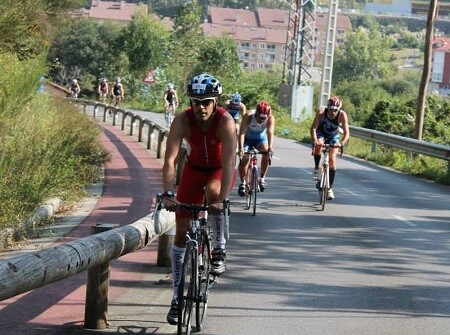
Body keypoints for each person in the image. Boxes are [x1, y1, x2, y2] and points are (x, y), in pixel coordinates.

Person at [160, 73, 236, 325]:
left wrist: (222, 200)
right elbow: (170, 159)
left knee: (214, 194)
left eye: (206, 102)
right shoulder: (182, 120)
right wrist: (169, 192)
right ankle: (175, 297)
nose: (200, 107)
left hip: (217, 170)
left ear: (216, 102)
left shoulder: (225, 122)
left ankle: (219, 247)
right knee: (181, 231)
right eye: (196, 101)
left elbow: (228, 163)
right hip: (193, 171)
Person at [310, 96, 350, 200]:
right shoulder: (321, 112)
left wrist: (341, 143)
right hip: (321, 133)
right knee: (319, 144)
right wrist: (315, 140)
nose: (332, 112)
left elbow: (346, 133)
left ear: (339, 109)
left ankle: (330, 188)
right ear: (328, 107)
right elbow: (313, 128)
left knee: (332, 158)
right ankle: (316, 168)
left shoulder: (342, 115)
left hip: (333, 136)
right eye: (331, 109)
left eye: (335, 110)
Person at [237, 100, 275, 196]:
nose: (261, 120)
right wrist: (241, 148)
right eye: (260, 117)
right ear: (256, 113)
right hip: (247, 139)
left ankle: (262, 178)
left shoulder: (270, 118)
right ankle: (243, 183)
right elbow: (242, 133)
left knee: (267, 153)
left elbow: (270, 133)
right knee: (245, 158)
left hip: (260, 139)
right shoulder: (249, 116)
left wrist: (270, 147)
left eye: (264, 118)